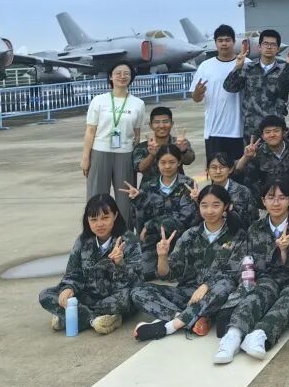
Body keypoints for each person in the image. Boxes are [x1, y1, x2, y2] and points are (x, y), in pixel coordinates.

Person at [213, 179, 289, 363]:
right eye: (271, 197)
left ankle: (259, 335)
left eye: (282, 198)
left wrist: (285, 251)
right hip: (268, 277)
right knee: (257, 294)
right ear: (263, 201)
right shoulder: (256, 228)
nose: (276, 203)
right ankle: (233, 336)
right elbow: (248, 262)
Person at [132, 185, 247, 341]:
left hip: (215, 294)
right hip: (189, 294)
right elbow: (168, 274)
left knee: (226, 285)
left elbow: (233, 274)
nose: (209, 211)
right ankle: (188, 318)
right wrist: (162, 256)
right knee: (138, 291)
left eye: (216, 205)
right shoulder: (190, 235)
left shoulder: (237, 235)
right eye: (204, 205)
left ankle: (170, 326)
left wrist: (206, 286)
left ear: (226, 206)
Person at [39, 194, 142, 335]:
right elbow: (73, 273)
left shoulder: (128, 240)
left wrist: (120, 264)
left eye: (105, 218)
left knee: (126, 299)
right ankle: (95, 319)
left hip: (115, 296)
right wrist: (68, 288)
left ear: (115, 216)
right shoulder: (83, 241)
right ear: (87, 221)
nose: (99, 224)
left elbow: (137, 281)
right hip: (88, 295)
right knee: (46, 295)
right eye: (93, 219)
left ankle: (72, 315)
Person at [121, 144, 199, 279]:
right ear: (157, 163)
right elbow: (139, 219)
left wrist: (150, 224)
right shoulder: (149, 185)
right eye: (163, 162)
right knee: (142, 274)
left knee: (177, 273)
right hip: (154, 240)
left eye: (172, 162)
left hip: (180, 238)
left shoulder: (188, 184)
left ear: (179, 162)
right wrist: (137, 200)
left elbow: (185, 218)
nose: (167, 166)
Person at [82, 61, 145, 225]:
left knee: (126, 199)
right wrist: (86, 157)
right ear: (110, 76)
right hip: (100, 152)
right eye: (118, 73)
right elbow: (90, 130)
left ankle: (125, 235)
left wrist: (136, 157)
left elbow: (137, 134)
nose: (122, 76)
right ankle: (94, 233)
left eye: (126, 73)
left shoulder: (138, 104)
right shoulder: (98, 100)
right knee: (97, 197)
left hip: (125, 153)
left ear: (131, 78)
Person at [222, 29, 289, 143]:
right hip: (252, 129)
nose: (269, 47)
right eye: (265, 44)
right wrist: (237, 67)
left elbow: (284, 90)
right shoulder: (248, 68)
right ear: (259, 47)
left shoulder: (284, 70)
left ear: (277, 49)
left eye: (273, 45)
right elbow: (230, 87)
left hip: (275, 128)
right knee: (251, 154)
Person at [191, 24, 244, 162]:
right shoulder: (205, 66)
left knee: (239, 171)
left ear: (234, 42)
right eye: (220, 40)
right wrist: (198, 92)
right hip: (214, 131)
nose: (224, 44)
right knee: (217, 171)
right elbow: (196, 98)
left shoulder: (245, 64)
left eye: (227, 40)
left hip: (240, 131)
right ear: (215, 43)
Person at [233, 115, 289, 199]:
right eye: (267, 132)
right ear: (263, 136)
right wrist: (246, 157)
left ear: (284, 133)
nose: (272, 135)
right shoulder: (256, 153)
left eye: (276, 131)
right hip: (267, 199)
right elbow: (237, 171)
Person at [132, 106, 195, 182]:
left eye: (165, 122)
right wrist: (152, 155)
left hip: (177, 186)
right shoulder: (142, 147)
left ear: (172, 124)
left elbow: (189, 161)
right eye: (157, 122)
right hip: (150, 187)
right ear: (150, 125)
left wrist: (183, 151)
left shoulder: (179, 142)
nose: (161, 126)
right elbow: (139, 168)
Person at [202, 153, 256, 228]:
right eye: (214, 168)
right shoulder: (204, 194)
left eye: (222, 167)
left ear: (230, 169)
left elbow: (253, 220)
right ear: (207, 171)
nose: (218, 171)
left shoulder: (243, 192)